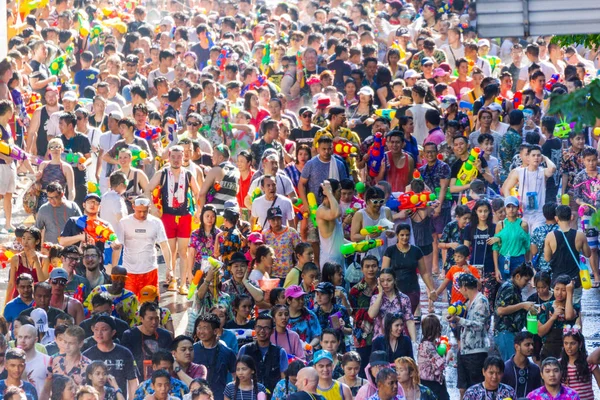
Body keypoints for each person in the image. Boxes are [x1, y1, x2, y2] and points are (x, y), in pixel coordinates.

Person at [112, 196, 171, 297]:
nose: (142, 214)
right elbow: (118, 247)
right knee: (129, 306)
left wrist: (169, 269)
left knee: (151, 306)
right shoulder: (124, 222)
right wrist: (114, 270)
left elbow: (164, 245)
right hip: (129, 272)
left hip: (150, 271)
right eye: (139, 211)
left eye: (145, 211)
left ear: (149, 208)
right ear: (133, 206)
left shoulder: (156, 222)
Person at [447, 273, 491, 399]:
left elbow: (479, 325)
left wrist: (459, 320)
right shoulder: (468, 302)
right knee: (462, 389)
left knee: (475, 388)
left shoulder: (481, 301)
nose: (460, 291)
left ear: (465, 287)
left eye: (460, 288)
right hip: (465, 351)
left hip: (476, 352)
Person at [502, 145, 557, 232]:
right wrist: (511, 205)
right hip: (523, 213)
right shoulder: (518, 172)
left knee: (536, 238)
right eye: (533, 155)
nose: (536, 158)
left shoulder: (543, 171)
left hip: (539, 214)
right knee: (524, 240)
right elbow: (506, 189)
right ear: (528, 157)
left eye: (538, 155)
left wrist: (545, 157)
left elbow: (553, 168)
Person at [544, 205, 591, 306]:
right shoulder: (580, 235)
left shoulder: (550, 236)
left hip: (557, 281)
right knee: (575, 311)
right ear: (571, 217)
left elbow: (547, 258)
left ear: (556, 218)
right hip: (574, 281)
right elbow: (588, 254)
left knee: (558, 310)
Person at [82, 315, 139, 398]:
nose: (99, 333)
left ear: (113, 332)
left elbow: (133, 380)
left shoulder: (124, 353)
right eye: (96, 329)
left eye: (104, 329)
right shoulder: (87, 355)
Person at [494, 263, 536, 361]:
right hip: (505, 332)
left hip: (512, 332)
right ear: (517, 276)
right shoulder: (509, 287)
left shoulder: (515, 288)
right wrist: (523, 305)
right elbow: (500, 310)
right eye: (526, 280)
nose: (527, 284)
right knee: (510, 364)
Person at [121, 302, 173, 378]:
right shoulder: (129, 335)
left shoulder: (165, 335)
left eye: (157, 318)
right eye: (150, 318)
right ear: (141, 319)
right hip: (136, 377)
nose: (154, 322)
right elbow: (126, 361)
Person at [238, 314, 288, 393]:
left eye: (266, 328)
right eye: (259, 327)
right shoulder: (245, 350)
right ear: (254, 328)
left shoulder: (280, 352)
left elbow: (284, 381)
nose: (262, 331)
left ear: (272, 331)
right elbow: (239, 376)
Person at [191, 314, 236, 400]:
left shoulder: (227, 352)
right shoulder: (192, 350)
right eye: (199, 327)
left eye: (205, 328)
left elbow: (236, 377)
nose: (201, 331)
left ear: (216, 331)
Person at [537, 275, 579, 360]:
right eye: (557, 289)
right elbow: (540, 332)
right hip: (549, 351)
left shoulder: (575, 307)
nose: (559, 293)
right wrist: (553, 318)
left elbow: (569, 316)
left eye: (564, 290)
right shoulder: (545, 307)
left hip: (569, 352)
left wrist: (570, 293)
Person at [4, 227, 49, 304]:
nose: (25, 242)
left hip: (37, 301)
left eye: (29, 239)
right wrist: (6, 305)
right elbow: (11, 284)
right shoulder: (16, 259)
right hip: (19, 299)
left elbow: (43, 284)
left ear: (37, 241)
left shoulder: (44, 259)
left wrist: (37, 262)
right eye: (23, 238)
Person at [493, 196, 531, 281]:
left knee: (518, 285)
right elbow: (495, 248)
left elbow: (527, 246)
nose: (511, 209)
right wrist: (496, 269)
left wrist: (528, 262)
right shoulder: (501, 225)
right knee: (504, 285)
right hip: (504, 259)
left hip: (519, 259)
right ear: (505, 208)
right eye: (508, 207)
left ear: (517, 208)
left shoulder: (523, 224)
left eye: (513, 206)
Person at [263, 206, 302, 284]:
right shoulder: (265, 234)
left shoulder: (291, 232)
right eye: (273, 220)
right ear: (268, 221)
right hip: (272, 275)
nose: (276, 222)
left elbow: (300, 252)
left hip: (290, 274)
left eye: (278, 219)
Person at [502, 331, 542, 398]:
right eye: (527, 344)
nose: (531, 347)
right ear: (517, 346)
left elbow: (537, 393)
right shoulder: (505, 368)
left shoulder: (535, 369)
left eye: (532, 344)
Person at [16, 324, 50, 394]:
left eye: (27, 337)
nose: (22, 340)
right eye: (20, 337)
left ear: (35, 340)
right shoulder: (10, 360)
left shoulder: (47, 360)